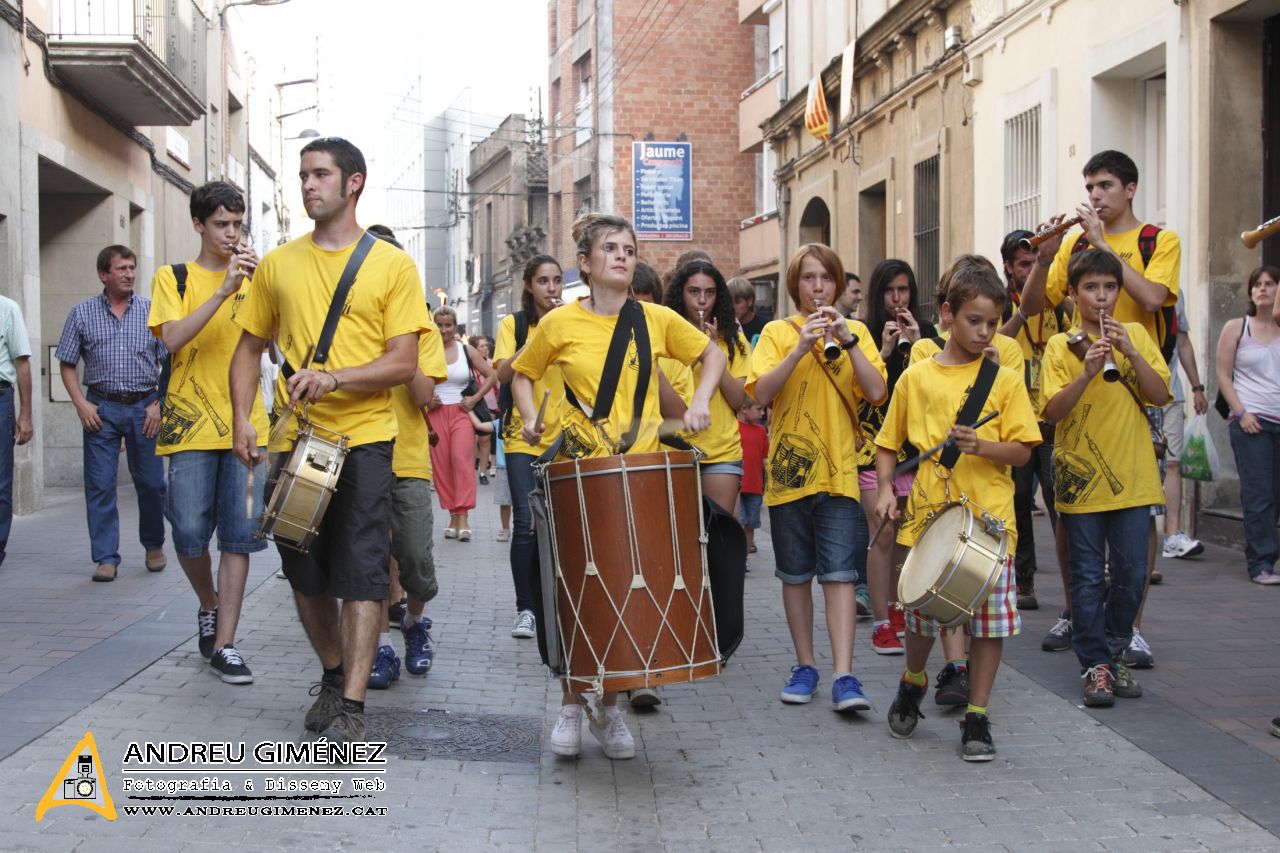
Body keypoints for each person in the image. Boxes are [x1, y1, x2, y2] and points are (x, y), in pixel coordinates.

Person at [229, 137, 430, 745]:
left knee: (365, 571)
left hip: (367, 440)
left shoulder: (391, 265)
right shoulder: (279, 265)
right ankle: (333, 670)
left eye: (321, 175)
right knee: (301, 570)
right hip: (298, 441)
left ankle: (352, 703)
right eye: (303, 175)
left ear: (354, 183)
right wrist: (243, 418)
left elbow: (402, 363)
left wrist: (335, 376)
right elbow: (248, 347)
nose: (308, 185)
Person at [511, 212, 725, 760]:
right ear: (585, 263)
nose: (622, 256)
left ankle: (610, 712)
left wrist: (700, 400)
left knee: (632, 587)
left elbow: (712, 354)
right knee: (575, 589)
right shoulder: (558, 324)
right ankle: (568, 704)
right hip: (578, 477)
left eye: (629, 248)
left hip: (640, 475)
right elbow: (521, 373)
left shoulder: (654, 318)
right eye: (610, 248)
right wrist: (532, 417)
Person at [1018, 149, 1181, 664]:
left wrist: (1107, 249)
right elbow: (1033, 306)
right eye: (1090, 188)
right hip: (1077, 370)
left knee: (1137, 506)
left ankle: (1129, 626)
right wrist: (1046, 255)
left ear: (1130, 189)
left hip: (1135, 375)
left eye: (1105, 186)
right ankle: (1077, 608)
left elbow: (1155, 298)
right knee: (1075, 511)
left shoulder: (1158, 240)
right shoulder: (1075, 242)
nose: (1095, 197)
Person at [877, 262, 1040, 761]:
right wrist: (886, 487)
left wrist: (982, 446)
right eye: (974, 321)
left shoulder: (1006, 381)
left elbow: (1024, 451)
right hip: (930, 520)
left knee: (989, 625)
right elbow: (888, 443)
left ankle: (977, 716)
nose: (985, 332)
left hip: (991, 523)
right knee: (925, 623)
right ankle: (914, 679)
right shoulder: (916, 378)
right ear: (947, 314)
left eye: (992, 322)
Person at [748, 243, 887, 713]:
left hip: (841, 472)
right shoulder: (773, 332)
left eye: (826, 278)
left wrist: (846, 341)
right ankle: (805, 664)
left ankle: (844, 673)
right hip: (789, 473)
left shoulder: (858, 333)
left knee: (841, 575)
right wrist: (799, 348)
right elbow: (760, 395)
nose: (818, 287)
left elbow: (876, 391)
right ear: (795, 285)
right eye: (808, 279)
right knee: (794, 575)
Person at [147, 181, 268, 683]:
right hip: (190, 426)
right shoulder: (172, 278)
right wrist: (223, 292)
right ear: (199, 224)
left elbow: (277, 349)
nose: (231, 234)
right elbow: (171, 338)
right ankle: (208, 602)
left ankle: (226, 643)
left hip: (247, 426)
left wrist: (266, 288)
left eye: (238, 224)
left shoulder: (257, 279)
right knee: (190, 533)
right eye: (221, 224)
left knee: (240, 536)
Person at [1041, 249, 1170, 707]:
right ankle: (1095, 665)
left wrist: (1130, 350)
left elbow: (1159, 396)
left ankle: (1112, 652)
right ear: (1073, 294)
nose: (1101, 297)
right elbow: (1052, 413)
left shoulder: (1134, 333)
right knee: (1088, 578)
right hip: (1083, 481)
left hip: (1132, 477)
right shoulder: (1060, 346)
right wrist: (1087, 372)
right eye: (1091, 288)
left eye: (1109, 288)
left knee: (1134, 573)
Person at [362, 225, 447, 691]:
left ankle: (414, 623)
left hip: (408, 456)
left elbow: (422, 395)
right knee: (369, 561)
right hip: (359, 451)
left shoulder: (424, 329)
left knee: (414, 557)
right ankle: (380, 647)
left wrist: (403, 340)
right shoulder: (355, 323)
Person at [56, 245, 168, 582]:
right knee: (100, 484)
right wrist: (81, 403)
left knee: (151, 483)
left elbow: (172, 362)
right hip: (101, 408)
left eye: (132, 268)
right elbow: (66, 363)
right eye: (121, 268)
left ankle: (153, 544)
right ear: (103, 274)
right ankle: (106, 557)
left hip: (144, 406)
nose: (129, 274)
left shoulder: (151, 312)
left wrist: (158, 404)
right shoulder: (82, 313)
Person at [857, 259, 937, 657]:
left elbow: (933, 392)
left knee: (905, 535)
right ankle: (881, 621)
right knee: (882, 532)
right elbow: (865, 397)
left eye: (904, 291)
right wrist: (885, 352)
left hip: (914, 451)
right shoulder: (863, 336)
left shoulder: (929, 337)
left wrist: (921, 344)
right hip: (873, 450)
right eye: (890, 291)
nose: (897, 299)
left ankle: (900, 606)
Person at [997, 230, 1069, 614]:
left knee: (1060, 501)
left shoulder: (1059, 303)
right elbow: (994, 342)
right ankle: (1024, 577)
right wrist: (1022, 313)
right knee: (1020, 500)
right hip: (1016, 420)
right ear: (1009, 268)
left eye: (1035, 263)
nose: (1029, 270)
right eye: (1023, 264)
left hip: (1052, 417)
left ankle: (1074, 589)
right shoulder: (999, 303)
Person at [494, 255, 564, 641]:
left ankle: (556, 601)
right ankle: (526, 609)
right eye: (543, 281)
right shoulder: (514, 325)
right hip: (523, 436)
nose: (551, 288)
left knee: (558, 525)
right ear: (528, 285)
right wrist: (538, 338)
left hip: (565, 437)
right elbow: (503, 373)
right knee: (526, 521)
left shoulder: (572, 321)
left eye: (556, 280)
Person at [662, 259, 749, 513]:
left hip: (721, 450)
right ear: (681, 293)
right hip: (674, 447)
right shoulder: (664, 334)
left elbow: (737, 401)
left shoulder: (734, 339)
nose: (702, 301)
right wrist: (694, 351)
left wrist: (712, 353)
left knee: (719, 539)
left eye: (709, 293)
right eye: (694, 292)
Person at [1216, 265, 1280, 584]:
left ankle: (1268, 554)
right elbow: (1224, 375)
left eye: (1270, 284)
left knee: (1275, 494)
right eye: (1258, 284)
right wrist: (1242, 414)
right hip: (1251, 420)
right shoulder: (1238, 327)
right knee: (1259, 494)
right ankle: (1260, 563)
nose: (1263, 289)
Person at [426, 306, 496, 541]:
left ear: (455, 326)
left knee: (461, 460)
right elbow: (412, 377)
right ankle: (453, 516)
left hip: (460, 412)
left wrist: (475, 398)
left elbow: (492, 375)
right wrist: (426, 400)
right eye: (439, 324)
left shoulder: (465, 350)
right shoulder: (426, 349)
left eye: (448, 325)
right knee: (442, 466)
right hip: (435, 414)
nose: (443, 330)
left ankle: (463, 516)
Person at [1159, 292, 1208, 560]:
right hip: (1135, 394)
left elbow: (1183, 341)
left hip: (1172, 393)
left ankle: (1172, 535)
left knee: (1173, 463)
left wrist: (1196, 387)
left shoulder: (1175, 293)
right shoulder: (1124, 281)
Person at [0, 291, 33, 568]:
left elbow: (22, 365)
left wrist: (25, 415)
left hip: (0, 398)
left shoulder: (7, 309)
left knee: (0, 481)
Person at [737, 397, 768, 555]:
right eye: (758, 409)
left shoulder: (761, 431)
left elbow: (764, 457)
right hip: (738, 485)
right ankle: (741, 555)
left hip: (756, 486)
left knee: (752, 523)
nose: (762, 413)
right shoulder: (734, 428)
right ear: (744, 409)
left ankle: (747, 551)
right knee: (740, 521)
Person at [471, 334, 499, 484]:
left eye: (486, 346)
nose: (485, 348)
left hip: (489, 405)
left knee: (485, 439)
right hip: (471, 404)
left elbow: (498, 383)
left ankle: (482, 473)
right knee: (471, 439)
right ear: (473, 349)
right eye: (482, 346)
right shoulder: (469, 365)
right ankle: (469, 471)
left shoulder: (491, 364)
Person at [729, 276, 768, 346]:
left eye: (737, 302)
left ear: (750, 301)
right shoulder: (724, 327)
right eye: (729, 302)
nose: (732, 307)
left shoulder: (765, 327)